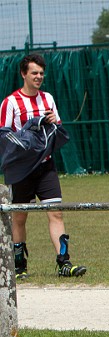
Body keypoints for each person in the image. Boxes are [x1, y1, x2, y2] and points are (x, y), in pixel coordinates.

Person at [0, 53, 87, 280]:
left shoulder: (48, 98)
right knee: (19, 217)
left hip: (46, 167)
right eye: (34, 73)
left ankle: (64, 263)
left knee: (56, 212)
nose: (39, 77)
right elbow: (4, 136)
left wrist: (50, 123)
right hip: (21, 170)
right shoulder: (10, 103)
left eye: (41, 73)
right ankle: (19, 266)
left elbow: (57, 127)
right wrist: (28, 133)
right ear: (23, 74)